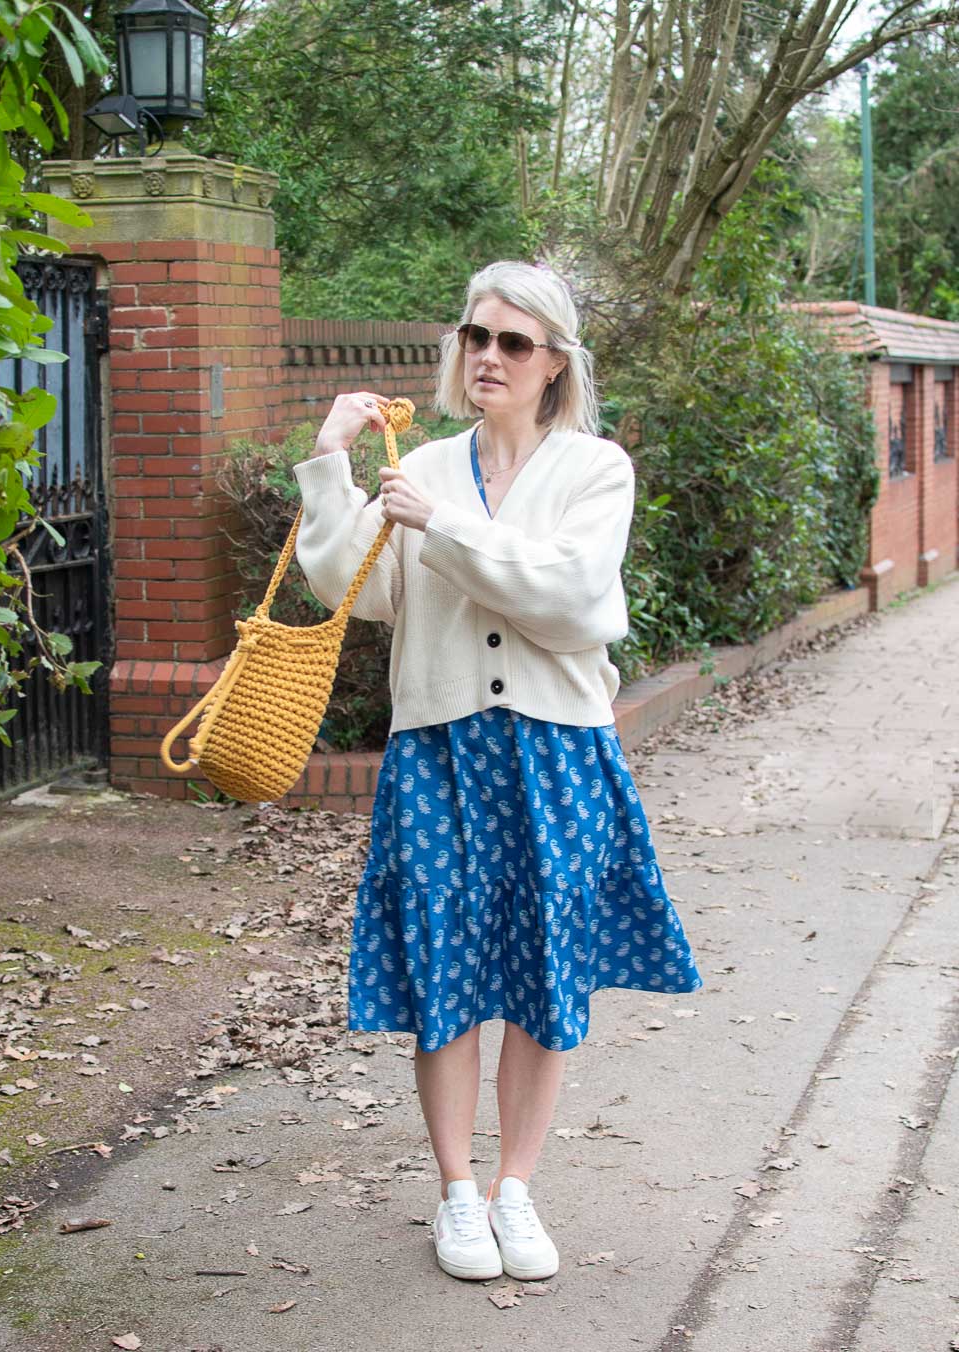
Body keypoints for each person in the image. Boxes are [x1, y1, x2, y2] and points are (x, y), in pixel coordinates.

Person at [292, 259, 702, 1284]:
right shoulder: (419, 461)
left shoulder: (594, 469)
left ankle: (516, 1184)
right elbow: (357, 585)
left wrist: (448, 528)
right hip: (437, 747)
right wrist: (328, 461)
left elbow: (572, 603)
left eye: (513, 342)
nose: (488, 356)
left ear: (554, 362)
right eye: (476, 336)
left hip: (557, 749)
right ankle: (456, 1192)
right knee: (444, 968)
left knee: (542, 969)